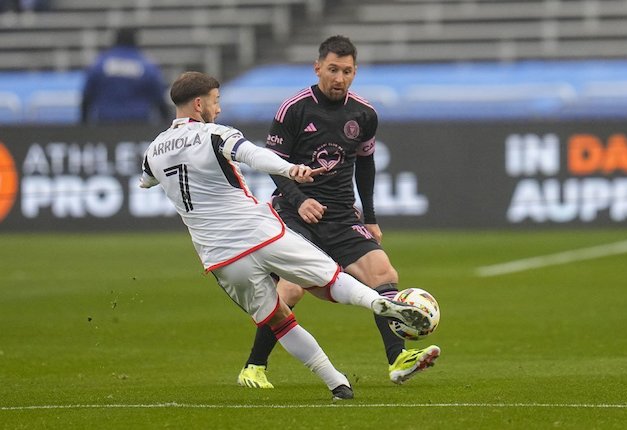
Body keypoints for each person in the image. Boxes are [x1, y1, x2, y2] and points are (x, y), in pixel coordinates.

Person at [139, 71, 433, 400]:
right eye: (215, 102)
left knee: (280, 320)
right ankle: (379, 303)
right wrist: (290, 169)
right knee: (329, 279)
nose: (218, 109)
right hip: (258, 232)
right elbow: (253, 155)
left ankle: (337, 383)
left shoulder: (154, 152)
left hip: (220, 257)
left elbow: (146, 181)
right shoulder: (214, 134)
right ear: (198, 104)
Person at [237, 35, 441, 389]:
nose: (339, 78)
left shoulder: (364, 114)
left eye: (347, 71)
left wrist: (371, 218)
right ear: (318, 68)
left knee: (383, 272)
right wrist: (300, 199)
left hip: (342, 216)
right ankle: (254, 366)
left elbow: (366, 165)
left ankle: (398, 359)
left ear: (355, 72)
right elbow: (273, 165)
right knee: (291, 289)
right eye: (332, 70)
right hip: (294, 213)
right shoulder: (294, 109)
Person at [81, 27, 170, 124]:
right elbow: (159, 98)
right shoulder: (146, 65)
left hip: (106, 123)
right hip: (138, 125)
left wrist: (83, 123)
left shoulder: (100, 63)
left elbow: (87, 96)